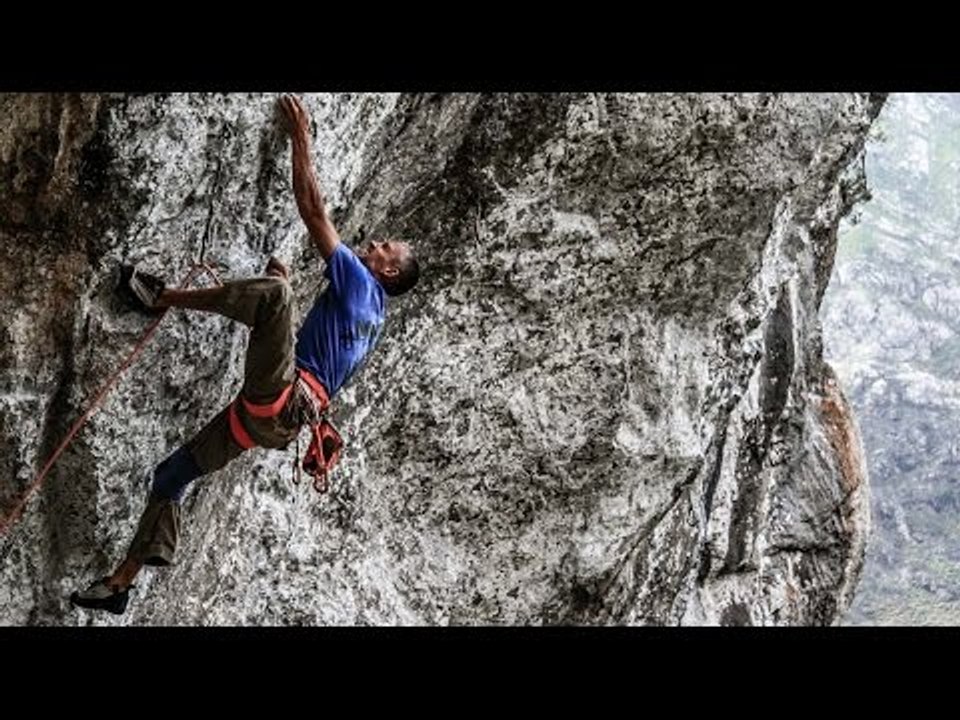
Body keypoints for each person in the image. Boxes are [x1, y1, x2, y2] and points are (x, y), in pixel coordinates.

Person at [70, 94, 419, 615]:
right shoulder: (373, 320)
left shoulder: (363, 285)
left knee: (276, 296)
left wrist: (301, 137)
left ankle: (159, 296)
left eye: (390, 247)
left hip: (279, 396)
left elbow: (312, 207)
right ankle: (121, 584)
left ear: (387, 272)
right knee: (171, 477)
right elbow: (321, 355)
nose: (382, 242)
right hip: (273, 419)